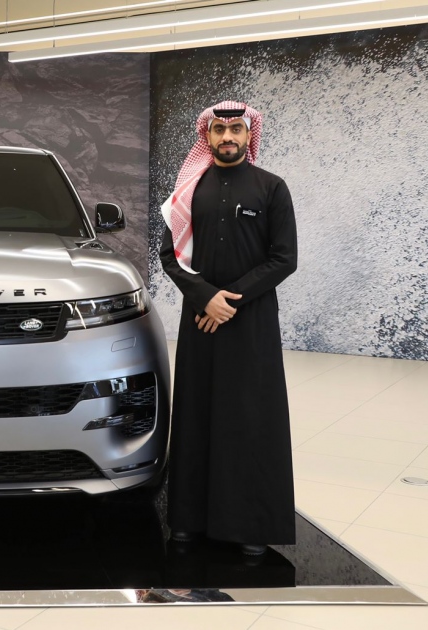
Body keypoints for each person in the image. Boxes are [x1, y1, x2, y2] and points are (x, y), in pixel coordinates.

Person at [159, 100, 298, 555]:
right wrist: (205, 297)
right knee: (196, 413)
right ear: (207, 136)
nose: (227, 138)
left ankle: (250, 528)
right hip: (201, 320)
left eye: (236, 129)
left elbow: (284, 259)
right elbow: (169, 256)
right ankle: (187, 521)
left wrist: (228, 300)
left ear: (248, 134)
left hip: (250, 322)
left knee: (249, 417)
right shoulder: (187, 192)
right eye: (219, 131)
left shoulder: (271, 187)